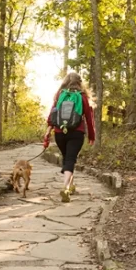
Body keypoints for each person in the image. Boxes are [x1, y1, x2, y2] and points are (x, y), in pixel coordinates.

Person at [43, 72, 95, 203]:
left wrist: (48, 130)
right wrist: (91, 135)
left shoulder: (60, 95)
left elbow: (52, 114)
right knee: (71, 159)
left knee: (67, 159)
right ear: (79, 83)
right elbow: (89, 118)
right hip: (76, 133)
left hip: (60, 133)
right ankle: (66, 187)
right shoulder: (82, 97)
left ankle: (70, 186)